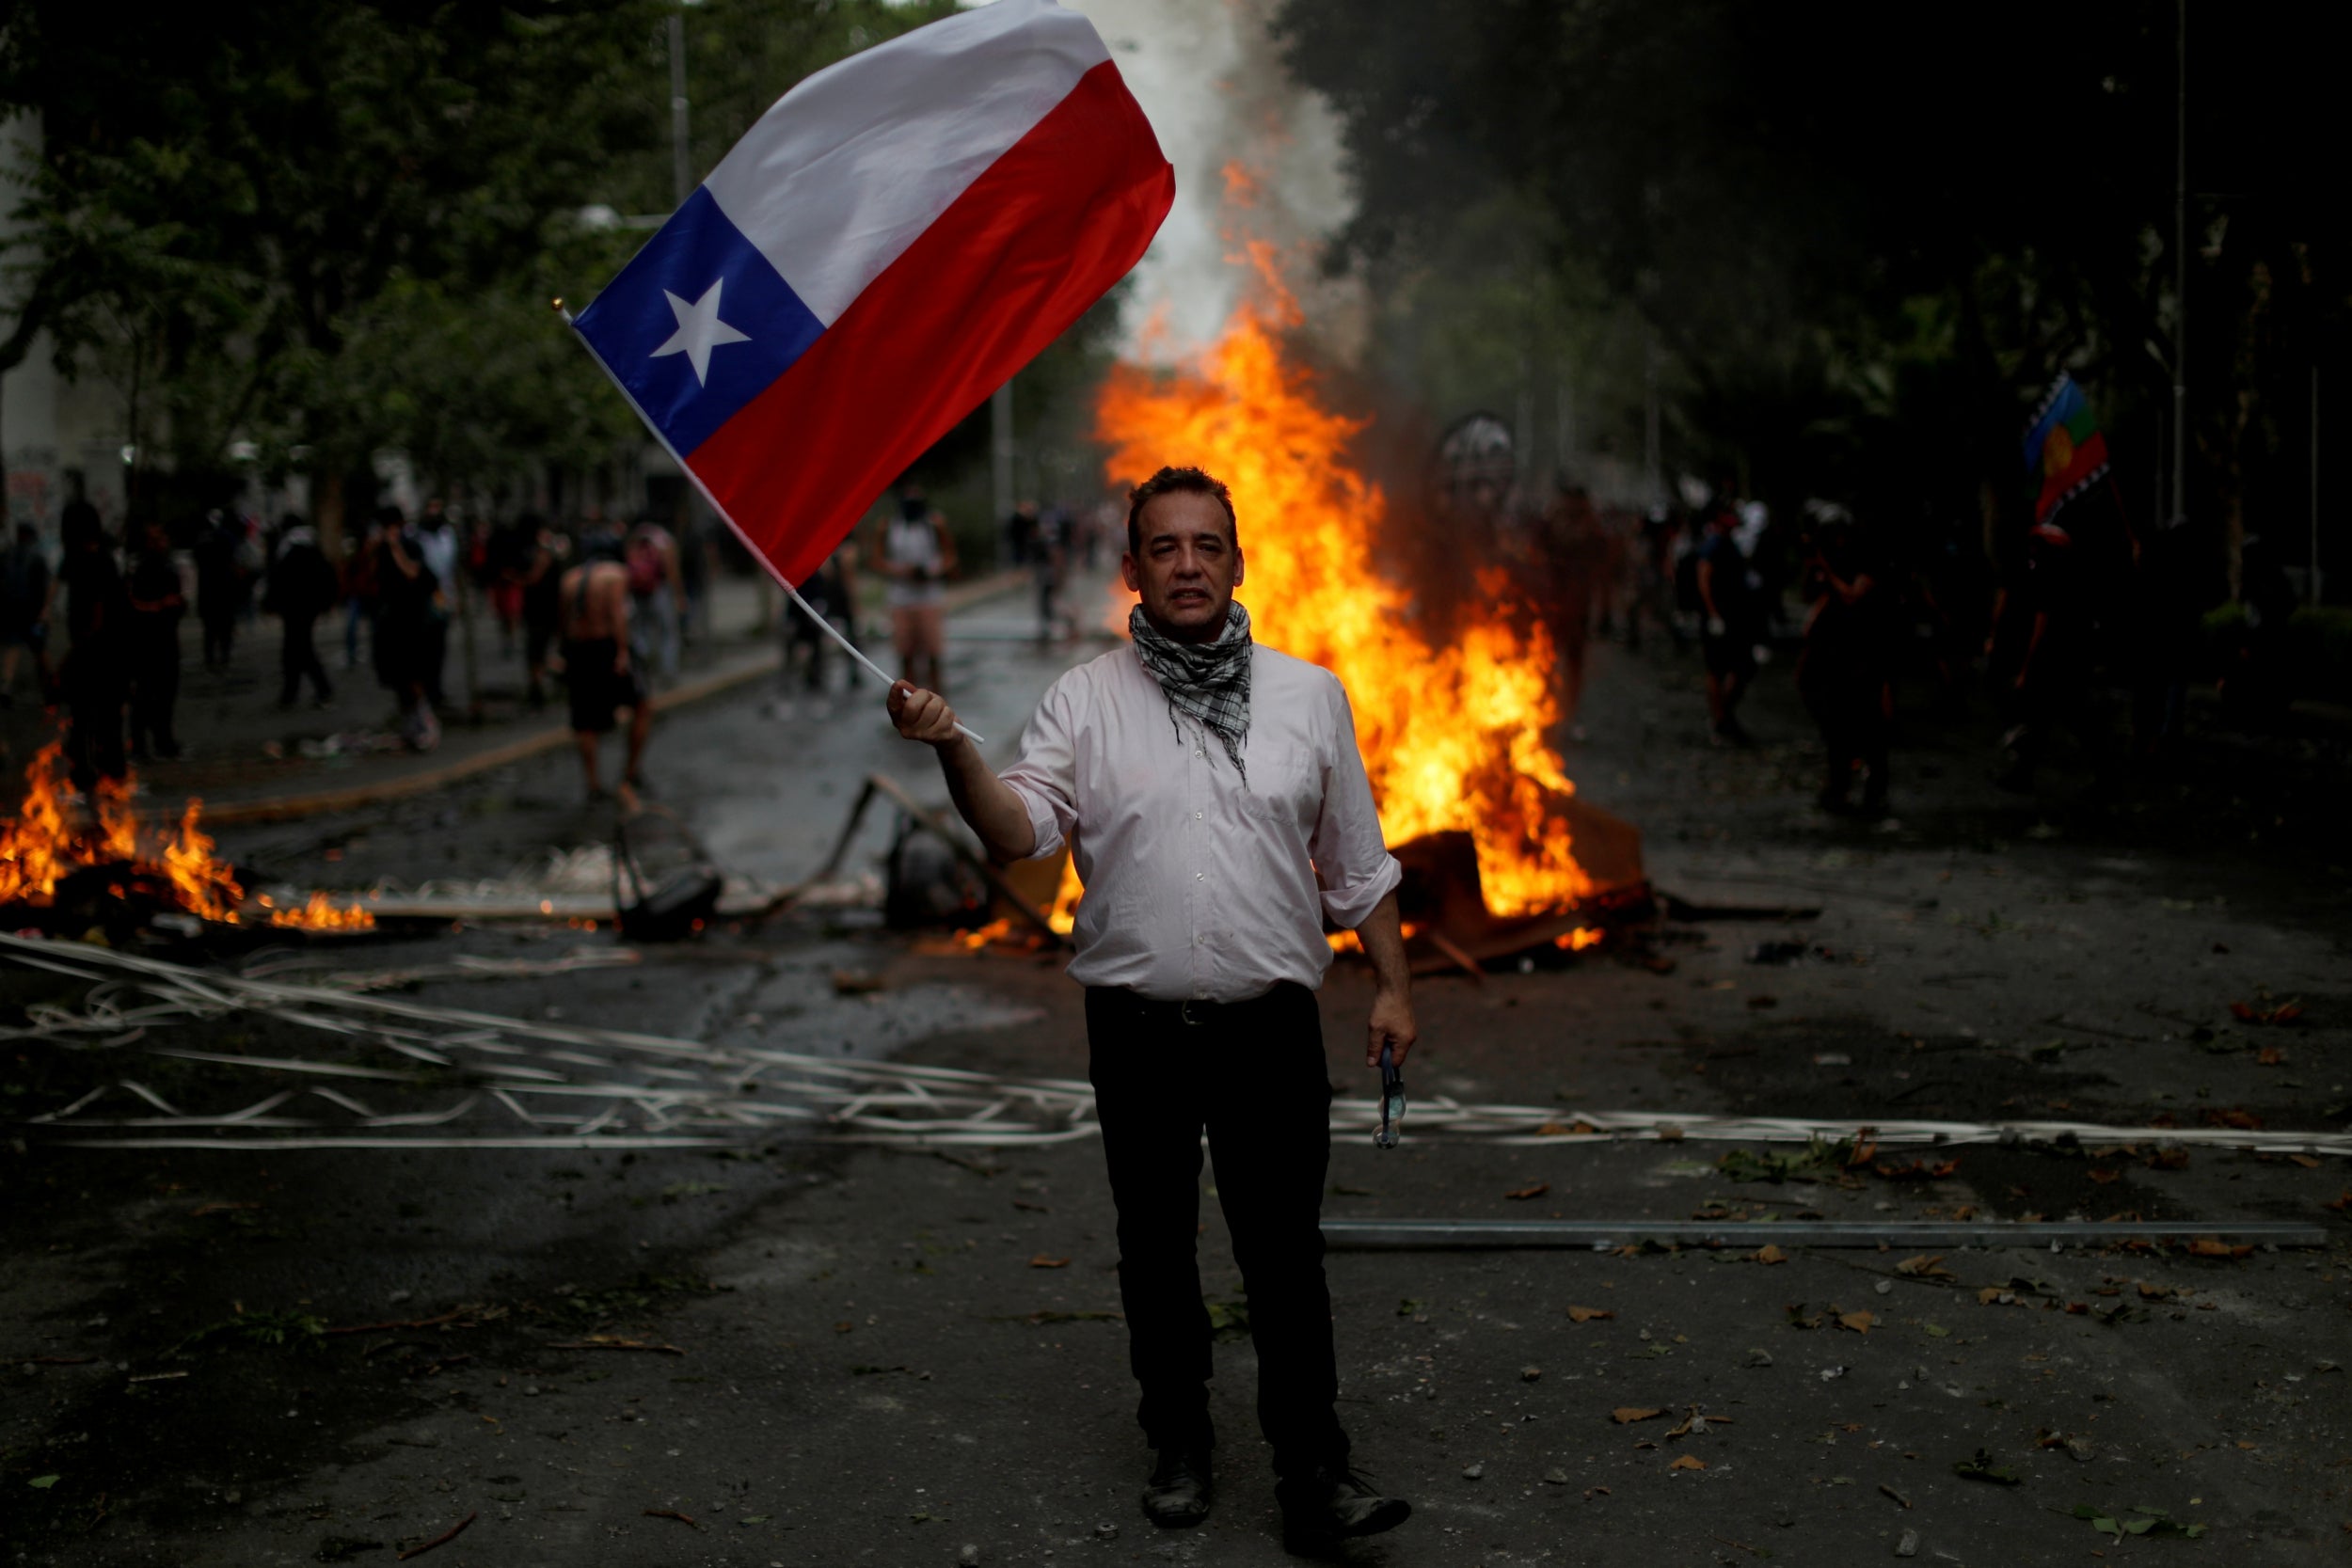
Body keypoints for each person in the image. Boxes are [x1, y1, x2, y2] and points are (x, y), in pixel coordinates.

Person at [887, 466, 1416, 1550]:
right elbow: (1015, 831)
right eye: (1164, 547)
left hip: (1270, 1026)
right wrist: (953, 746)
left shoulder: (1309, 695)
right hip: (1136, 1031)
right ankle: (1178, 1438)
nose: (1187, 564)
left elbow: (1356, 865)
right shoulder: (1085, 699)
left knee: (1282, 1253)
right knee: (1155, 1247)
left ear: (1236, 560)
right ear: (1132, 568)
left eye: (1206, 545)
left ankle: (1313, 1468)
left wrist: (1396, 987)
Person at [1796, 517, 1893, 816]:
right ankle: (1839, 789)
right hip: (1833, 657)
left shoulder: (1867, 565)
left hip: (1864, 654)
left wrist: (1827, 570)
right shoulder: (1828, 566)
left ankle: (1872, 791)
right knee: (1837, 729)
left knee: (1871, 727)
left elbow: (1853, 595)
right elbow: (1810, 596)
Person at [559, 530, 652, 803]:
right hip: (606, 647)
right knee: (643, 706)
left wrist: (564, 653)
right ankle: (629, 772)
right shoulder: (614, 575)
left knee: (584, 720)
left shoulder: (569, 579)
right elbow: (616, 614)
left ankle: (593, 783)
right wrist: (622, 651)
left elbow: (564, 621)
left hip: (578, 650)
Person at [55, 501, 129, 790]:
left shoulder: (97, 561)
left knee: (95, 721)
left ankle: (101, 780)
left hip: (99, 653)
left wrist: (71, 655)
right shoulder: (84, 559)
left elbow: (97, 617)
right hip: (103, 652)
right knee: (93, 721)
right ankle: (100, 779)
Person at [371, 510, 439, 751]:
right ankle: (409, 729)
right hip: (391, 622)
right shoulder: (380, 550)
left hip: (413, 619)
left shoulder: (409, 546)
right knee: (397, 678)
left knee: (413, 676)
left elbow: (413, 573)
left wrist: (396, 548)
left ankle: (426, 724)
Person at [1695, 498, 1760, 743]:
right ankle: (1720, 720)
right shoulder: (1713, 545)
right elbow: (1703, 579)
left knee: (1740, 669)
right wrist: (1713, 614)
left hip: (1734, 618)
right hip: (1718, 619)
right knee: (1717, 671)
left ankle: (1725, 716)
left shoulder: (1731, 544)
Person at [879, 485, 955, 695]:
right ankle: (907, 700)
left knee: (933, 654)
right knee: (906, 654)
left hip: (929, 598)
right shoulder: (890, 527)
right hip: (901, 598)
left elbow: (950, 556)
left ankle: (938, 699)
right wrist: (901, 571)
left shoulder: (933, 525)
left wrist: (933, 570)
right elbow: (877, 560)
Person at [124, 520, 185, 760]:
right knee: (145, 695)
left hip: (166, 640)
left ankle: (163, 740)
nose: (159, 543)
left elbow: (175, 603)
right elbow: (133, 606)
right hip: (145, 643)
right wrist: (159, 606)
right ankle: (141, 745)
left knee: (165, 694)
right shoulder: (140, 571)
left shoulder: (166, 568)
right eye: (154, 539)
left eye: (161, 538)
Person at [267, 515, 339, 708]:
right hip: (308, 607)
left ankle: (317, 690)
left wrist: (272, 603)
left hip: (295, 608)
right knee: (296, 649)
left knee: (299, 649)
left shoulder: (289, 548)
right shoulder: (311, 545)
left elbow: (280, 579)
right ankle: (295, 693)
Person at [0, 522, 54, 705]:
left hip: (13, 610)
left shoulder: (9, 554)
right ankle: (48, 688)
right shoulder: (35, 557)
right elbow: (43, 588)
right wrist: (43, 612)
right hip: (29, 612)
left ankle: (6, 686)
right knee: (37, 650)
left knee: (13, 649)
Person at [625, 516, 683, 684]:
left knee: (642, 630)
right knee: (668, 633)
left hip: (639, 593)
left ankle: (642, 667)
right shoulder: (662, 539)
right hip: (660, 591)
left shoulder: (636, 537)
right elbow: (671, 568)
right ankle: (668, 671)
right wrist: (679, 595)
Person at [412, 500, 458, 709]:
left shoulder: (447, 535)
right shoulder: (417, 536)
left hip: (443, 596)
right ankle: (425, 690)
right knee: (424, 646)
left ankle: (436, 690)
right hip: (424, 596)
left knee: (439, 645)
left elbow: (451, 567)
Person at [518, 517, 567, 710]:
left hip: (544, 610)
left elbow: (533, 577)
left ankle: (543, 683)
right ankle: (539, 685)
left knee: (540, 651)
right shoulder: (538, 553)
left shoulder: (545, 554)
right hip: (541, 610)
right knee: (539, 651)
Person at [191, 510, 246, 672]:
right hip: (224, 588)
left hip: (208, 587)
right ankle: (223, 656)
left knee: (210, 627)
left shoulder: (203, 538)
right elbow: (235, 559)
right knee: (224, 626)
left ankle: (211, 657)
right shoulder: (226, 538)